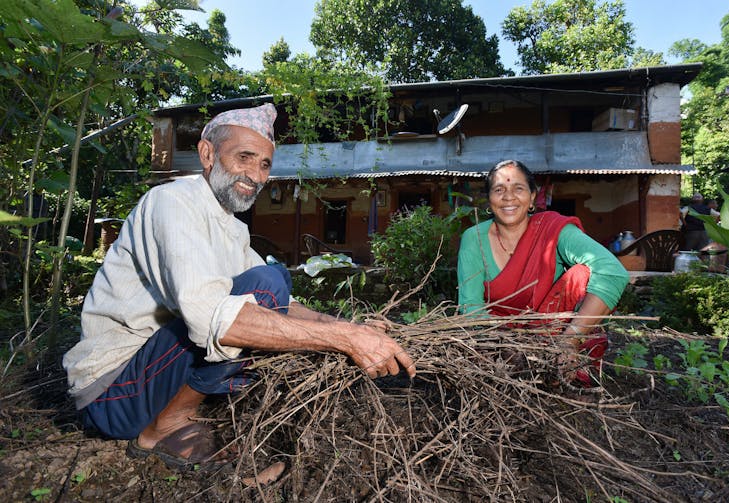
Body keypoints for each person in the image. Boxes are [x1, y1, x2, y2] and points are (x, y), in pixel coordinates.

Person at [63, 104, 416, 470]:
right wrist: (345, 340)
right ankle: (163, 428)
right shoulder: (172, 201)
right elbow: (215, 318)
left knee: (273, 279)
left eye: (264, 164)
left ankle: (181, 415)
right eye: (244, 157)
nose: (256, 174)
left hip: (149, 382)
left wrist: (344, 327)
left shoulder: (232, 227)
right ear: (207, 154)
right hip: (113, 394)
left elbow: (281, 301)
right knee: (264, 285)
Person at [457, 160, 629, 386]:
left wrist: (570, 340)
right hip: (496, 342)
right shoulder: (474, 239)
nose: (509, 197)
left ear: (532, 198)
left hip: (553, 335)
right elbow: (471, 309)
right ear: (489, 199)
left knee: (581, 275)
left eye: (518, 188)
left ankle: (565, 367)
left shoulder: (552, 230)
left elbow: (613, 271)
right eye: (499, 190)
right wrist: (512, 346)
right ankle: (523, 372)